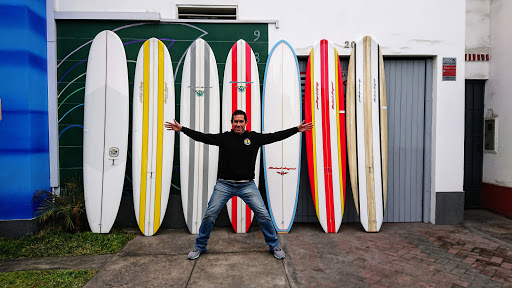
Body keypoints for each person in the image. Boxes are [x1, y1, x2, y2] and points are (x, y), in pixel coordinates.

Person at [165, 110, 313, 260]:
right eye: (235, 121)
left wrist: (296, 129)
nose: (238, 124)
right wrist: (182, 129)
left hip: (247, 186)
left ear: (246, 123)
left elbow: (274, 136)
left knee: (263, 215)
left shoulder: (254, 138)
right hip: (224, 185)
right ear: (232, 123)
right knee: (210, 214)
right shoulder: (224, 138)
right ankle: (199, 246)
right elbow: (203, 137)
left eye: (241, 121)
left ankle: (274, 245)